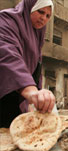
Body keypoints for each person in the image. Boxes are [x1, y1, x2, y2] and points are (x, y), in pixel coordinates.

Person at [0, 0, 55, 128]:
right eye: (40, 12)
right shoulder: (7, 20)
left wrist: (36, 98)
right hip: (5, 89)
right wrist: (30, 90)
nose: (43, 18)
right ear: (30, 7)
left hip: (19, 94)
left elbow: (36, 66)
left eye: (48, 16)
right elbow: (7, 54)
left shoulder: (37, 33)